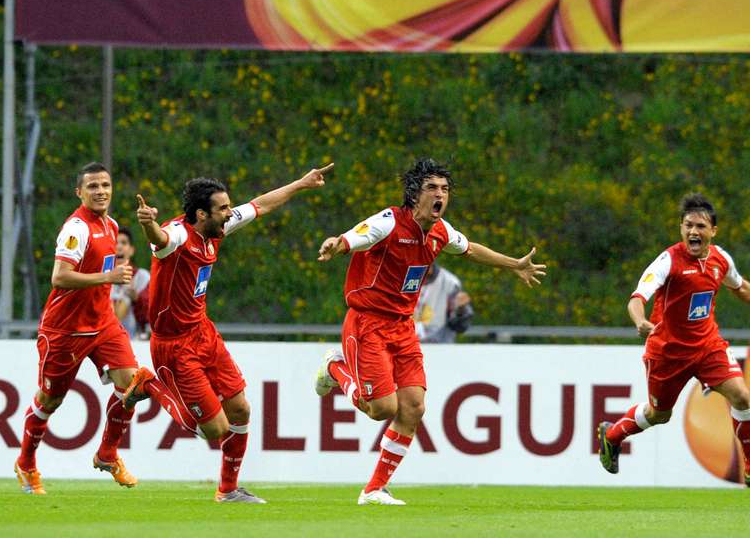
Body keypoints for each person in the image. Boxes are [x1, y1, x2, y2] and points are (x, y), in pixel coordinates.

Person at [313, 158, 546, 505]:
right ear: (414, 193)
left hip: (402, 327)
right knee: (381, 408)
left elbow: (471, 249)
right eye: (432, 188)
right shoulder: (390, 221)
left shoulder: (440, 231)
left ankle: (374, 489)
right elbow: (359, 234)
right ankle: (335, 368)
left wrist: (513, 264)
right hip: (368, 323)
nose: (440, 195)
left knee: (414, 407)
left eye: (445, 189)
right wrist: (338, 243)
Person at [125, 163, 334, 503]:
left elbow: (260, 205)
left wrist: (302, 183)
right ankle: (148, 383)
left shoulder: (215, 228)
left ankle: (228, 490)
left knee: (241, 410)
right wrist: (148, 226)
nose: (229, 213)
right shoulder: (177, 236)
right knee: (213, 429)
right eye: (222, 209)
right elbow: (160, 241)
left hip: (203, 332)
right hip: (173, 346)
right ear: (200, 214)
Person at [597, 193, 750, 492]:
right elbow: (638, 297)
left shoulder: (720, 259)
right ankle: (613, 435)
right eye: (688, 225)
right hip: (667, 353)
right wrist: (640, 322)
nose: (694, 231)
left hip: (708, 347)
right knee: (659, 415)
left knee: (742, 397)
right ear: (681, 228)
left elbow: (740, 287)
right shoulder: (668, 260)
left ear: (712, 231)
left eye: (701, 226)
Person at [14, 162, 177, 495]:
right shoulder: (77, 228)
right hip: (65, 331)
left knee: (132, 385)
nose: (100, 191)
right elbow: (59, 276)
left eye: (105, 185)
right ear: (80, 192)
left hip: (103, 325)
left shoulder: (112, 225)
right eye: (92, 186)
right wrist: (109, 277)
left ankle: (107, 453)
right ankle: (27, 462)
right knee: (49, 401)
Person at [414, 262, 473, 343]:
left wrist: (461, 310)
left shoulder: (450, 283)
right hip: (404, 349)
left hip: (439, 349)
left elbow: (460, 326)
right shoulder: (398, 279)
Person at [111, 227, 151, 339]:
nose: (118, 247)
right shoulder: (100, 277)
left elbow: (153, 317)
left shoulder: (143, 277)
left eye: (123, 243)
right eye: (115, 243)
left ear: (132, 250)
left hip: (137, 343)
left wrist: (137, 299)